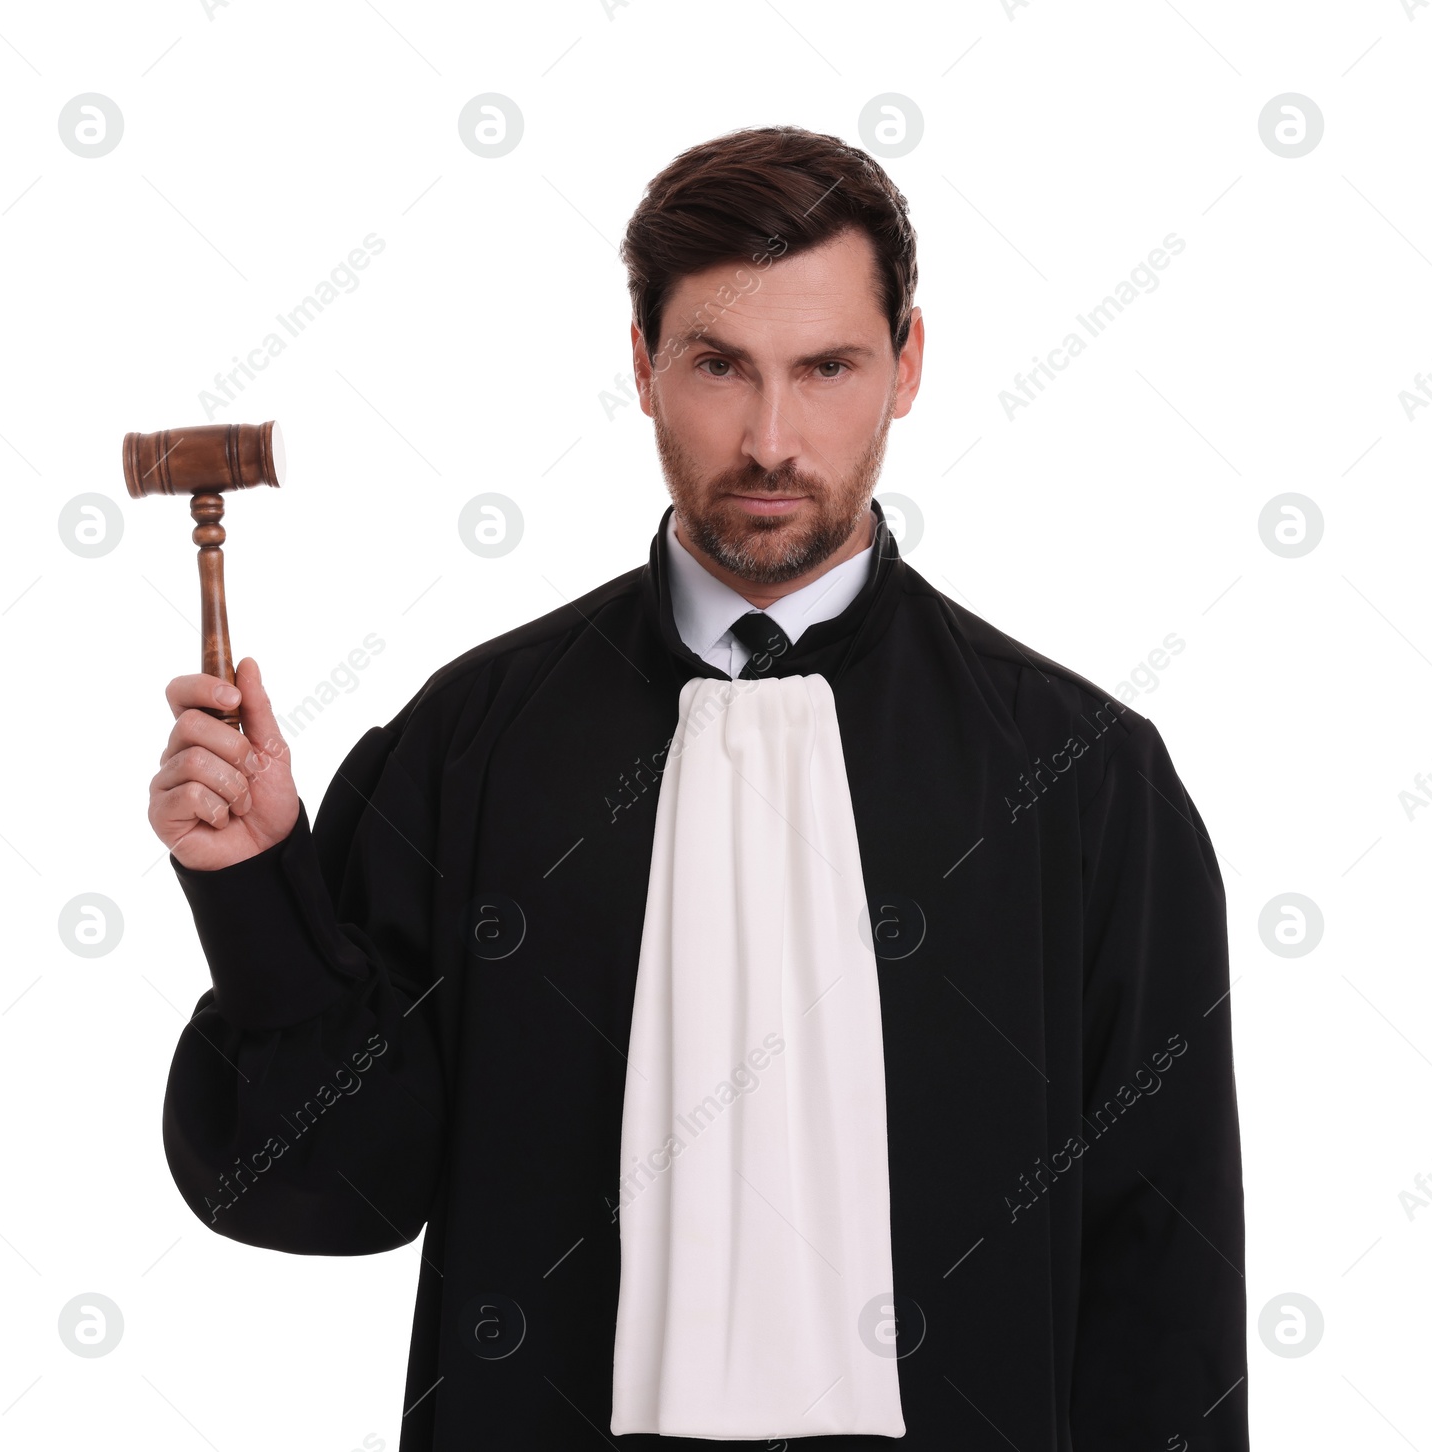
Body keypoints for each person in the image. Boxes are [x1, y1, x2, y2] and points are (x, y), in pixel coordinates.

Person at [151, 125, 1248, 1450]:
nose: (772, 439)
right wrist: (258, 893)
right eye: (720, 367)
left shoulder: (1081, 779)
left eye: (828, 367)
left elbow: (1162, 1286)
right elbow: (328, 1192)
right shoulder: (474, 743)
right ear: (643, 365)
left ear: (908, 365)